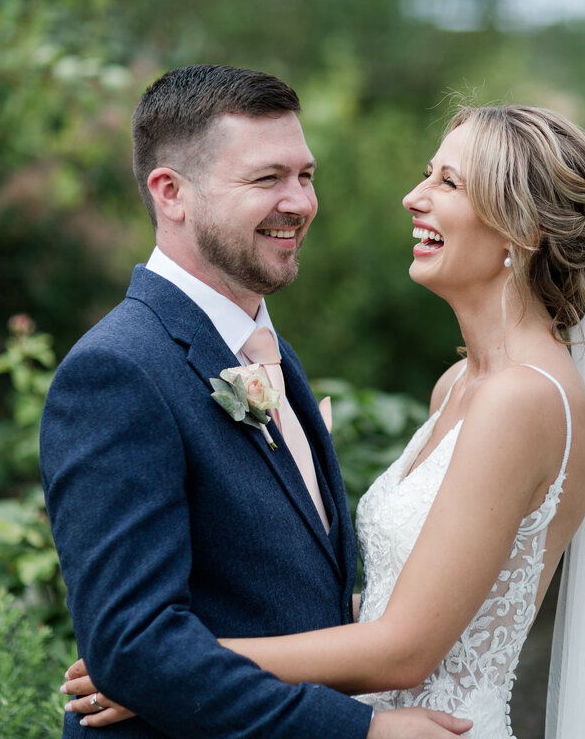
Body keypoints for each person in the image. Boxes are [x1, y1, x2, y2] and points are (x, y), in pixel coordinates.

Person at [61, 104, 585, 737]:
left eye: (448, 183)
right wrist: (165, 668)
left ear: (517, 228)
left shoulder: (523, 400)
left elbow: (405, 647)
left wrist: (163, 670)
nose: (413, 197)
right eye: (428, 174)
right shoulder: (458, 387)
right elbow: (418, 598)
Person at [40, 64, 473, 738]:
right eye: (267, 179)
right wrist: (362, 732)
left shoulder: (264, 350)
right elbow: (132, 647)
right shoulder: (117, 371)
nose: (300, 202)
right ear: (171, 193)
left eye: (305, 175)